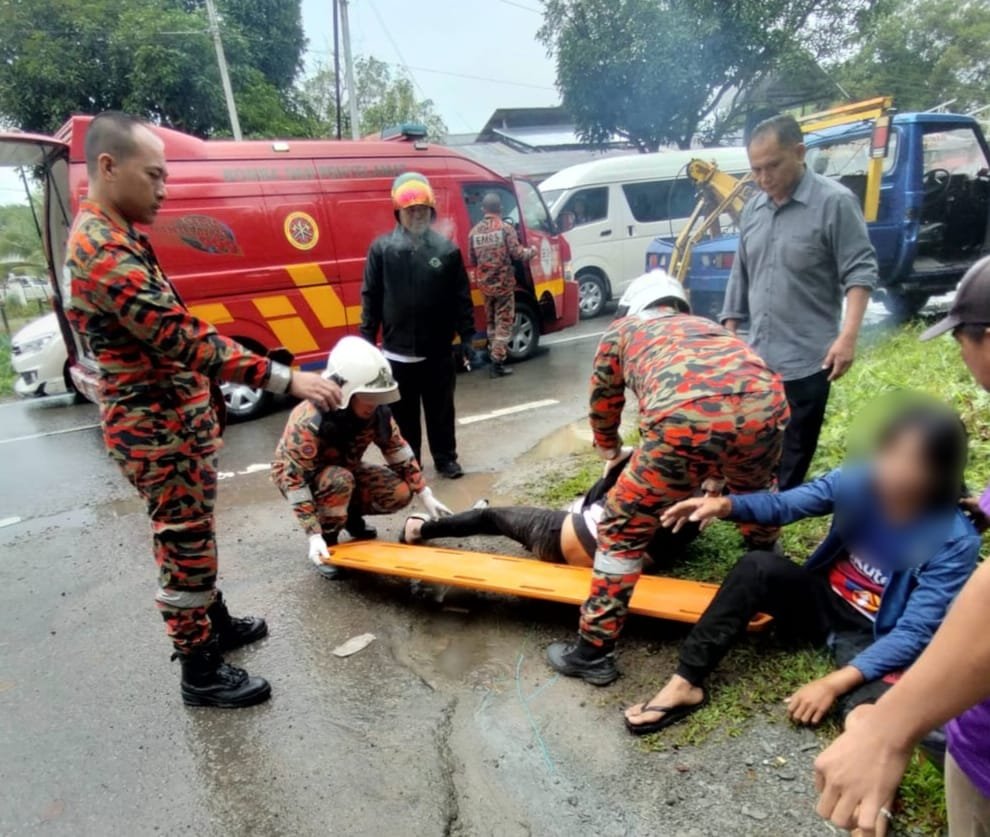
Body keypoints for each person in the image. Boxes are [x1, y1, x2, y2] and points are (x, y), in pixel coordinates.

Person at [65, 111, 342, 708]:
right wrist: (281, 378)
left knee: (195, 533)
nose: (164, 190)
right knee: (183, 541)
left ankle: (212, 623)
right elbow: (178, 336)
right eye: (155, 176)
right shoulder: (100, 249)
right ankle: (200, 669)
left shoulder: (121, 236)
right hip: (155, 431)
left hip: (173, 426)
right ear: (109, 167)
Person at [626, 400, 979, 738]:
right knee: (757, 566)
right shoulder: (856, 481)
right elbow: (784, 505)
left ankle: (867, 779)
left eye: (915, 462)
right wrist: (723, 505)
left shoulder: (953, 539)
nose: (895, 471)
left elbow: (913, 633)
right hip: (822, 600)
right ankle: (684, 684)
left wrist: (831, 684)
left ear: (941, 470)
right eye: (891, 453)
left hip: (875, 633)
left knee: (870, 715)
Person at [545, 270, 790, 686]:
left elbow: (604, 404)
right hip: (766, 408)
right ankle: (781, 594)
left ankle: (593, 652)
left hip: (682, 422)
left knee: (621, 530)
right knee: (756, 499)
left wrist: (609, 450)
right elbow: (723, 396)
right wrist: (717, 478)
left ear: (635, 306)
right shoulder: (708, 327)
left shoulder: (622, 331)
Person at [815, 256, 990, 837]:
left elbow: (930, 629)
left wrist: (887, 730)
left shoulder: (950, 542)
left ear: (984, 340)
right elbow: (799, 499)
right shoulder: (867, 486)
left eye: (962, 342)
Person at [720, 114, 879, 490]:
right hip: (756, 357)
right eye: (755, 169)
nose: (763, 178)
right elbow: (740, 273)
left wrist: (848, 337)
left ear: (799, 152)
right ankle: (749, 502)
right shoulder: (753, 211)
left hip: (809, 357)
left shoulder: (834, 203)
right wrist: (729, 333)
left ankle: (777, 515)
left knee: (794, 448)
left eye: (772, 166)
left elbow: (861, 270)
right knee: (751, 438)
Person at [271, 336, 451, 579]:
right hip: (303, 477)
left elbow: (397, 448)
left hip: (344, 470)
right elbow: (295, 480)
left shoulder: (376, 412)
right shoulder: (309, 420)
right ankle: (328, 542)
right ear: (345, 392)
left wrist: (423, 492)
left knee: (399, 492)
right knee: (340, 480)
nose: (374, 404)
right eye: (368, 397)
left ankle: (348, 516)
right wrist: (313, 534)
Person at [400, 448, 704, 567]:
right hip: (614, 561)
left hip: (563, 539)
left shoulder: (654, 462)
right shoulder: (700, 507)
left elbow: (611, 460)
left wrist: (624, 456)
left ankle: (418, 529)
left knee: (490, 517)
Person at [360, 171, 476, 480]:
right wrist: (366, 342)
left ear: (431, 212)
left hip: (438, 351)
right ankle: (410, 467)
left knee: (441, 411)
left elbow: (461, 297)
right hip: (397, 354)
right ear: (398, 212)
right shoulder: (382, 250)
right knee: (404, 415)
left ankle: (446, 459)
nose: (417, 216)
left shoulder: (447, 251)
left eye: (423, 210)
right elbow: (371, 296)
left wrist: (467, 337)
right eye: (411, 210)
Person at [468, 192, 535, 378]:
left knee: (491, 323)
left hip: (485, 286)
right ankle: (497, 363)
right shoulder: (506, 229)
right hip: (504, 285)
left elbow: (471, 258)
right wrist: (533, 252)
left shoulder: (473, 232)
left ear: (483, 209)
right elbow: (517, 254)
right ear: (501, 209)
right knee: (504, 323)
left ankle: (492, 355)